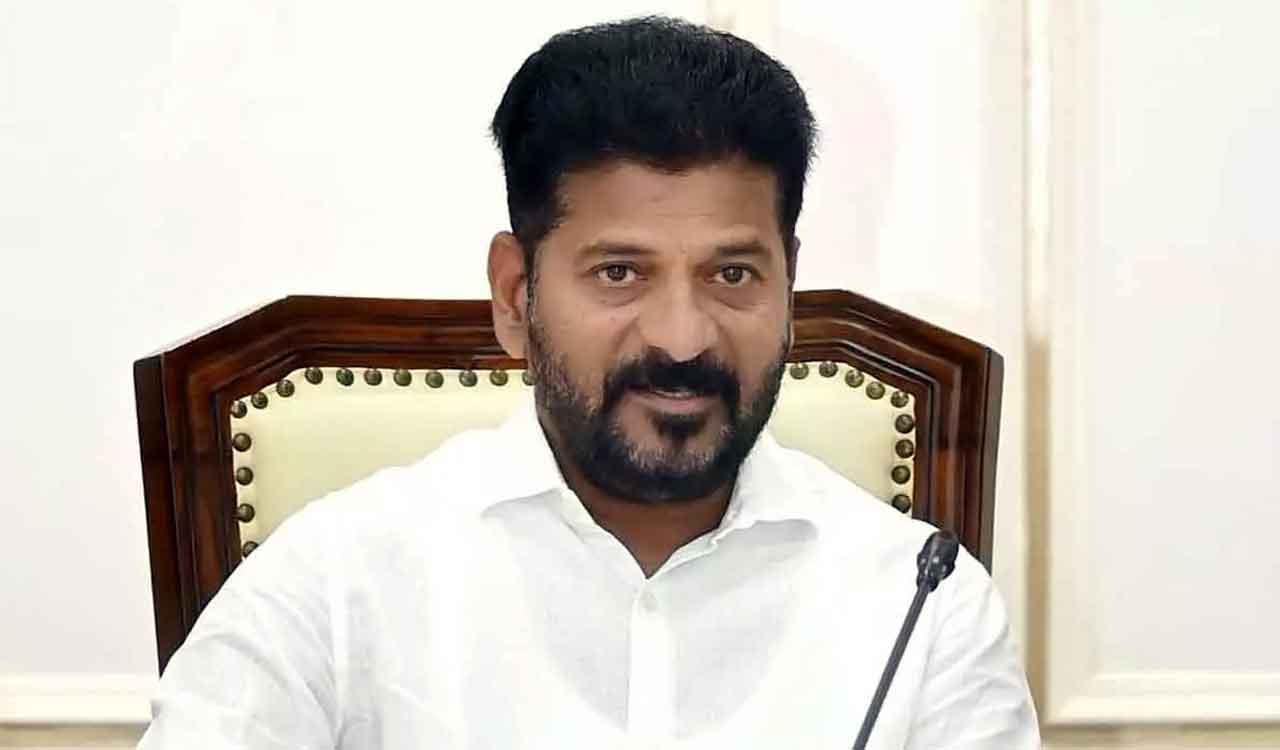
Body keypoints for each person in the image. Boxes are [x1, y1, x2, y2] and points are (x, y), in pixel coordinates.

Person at [138, 16, 1039, 749]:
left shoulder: (923, 607)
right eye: (620, 273)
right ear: (514, 296)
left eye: (732, 274)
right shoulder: (333, 583)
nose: (682, 338)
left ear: (789, 288)